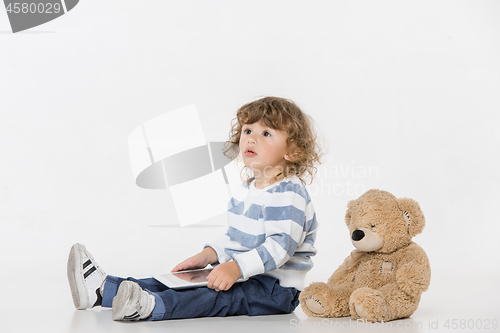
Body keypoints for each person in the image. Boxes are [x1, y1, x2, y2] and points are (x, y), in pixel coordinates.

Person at [67, 96, 323, 321]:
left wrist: (235, 268)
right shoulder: (247, 189)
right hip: (247, 273)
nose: (251, 138)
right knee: (177, 281)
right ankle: (103, 290)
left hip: (275, 289)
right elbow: (237, 238)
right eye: (247, 131)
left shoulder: (288, 193)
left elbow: (280, 247)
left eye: (266, 133)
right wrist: (209, 255)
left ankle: (152, 307)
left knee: (215, 297)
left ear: (293, 151)